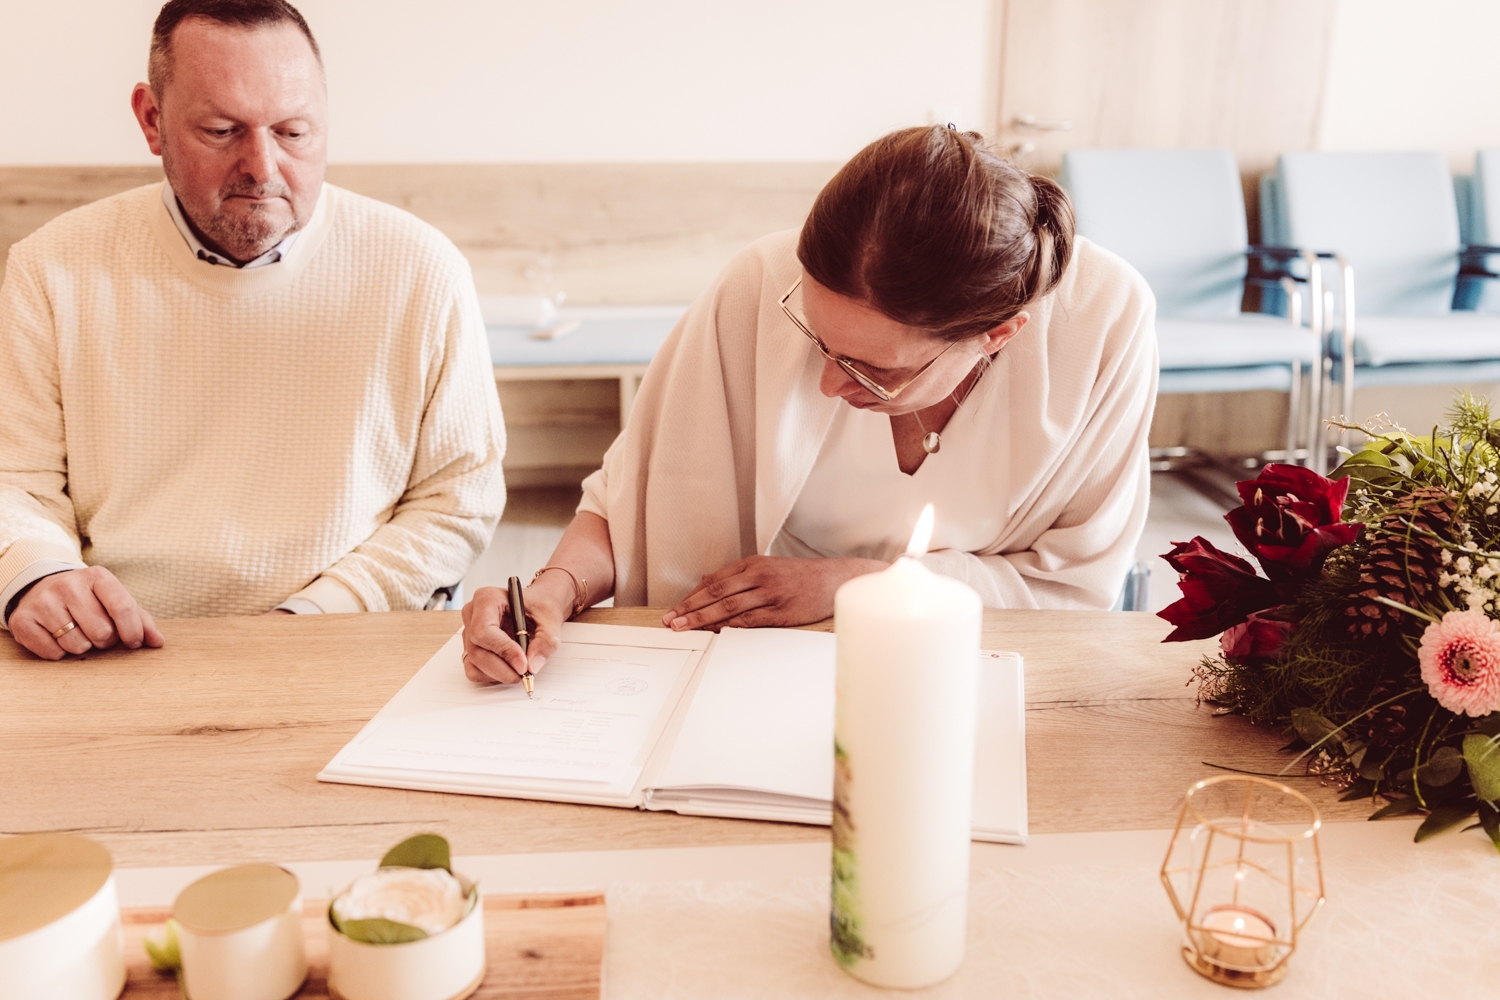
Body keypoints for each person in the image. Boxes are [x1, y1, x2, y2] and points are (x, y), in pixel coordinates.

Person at [461, 125, 1155, 686]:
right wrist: (553, 592)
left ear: (998, 335)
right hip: (754, 661)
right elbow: (637, 501)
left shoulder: (1104, 324)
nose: (827, 385)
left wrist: (854, 584)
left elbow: (1073, 579)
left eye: (872, 371)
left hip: (971, 669)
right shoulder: (760, 286)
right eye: (816, 342)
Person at [0, 0, 506, 661]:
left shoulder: (421, 268)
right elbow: (17, 477)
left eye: (294, 133)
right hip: (111, 649)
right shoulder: (52, 265)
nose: (262, 169)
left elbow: (457, 498)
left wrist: (316, 615)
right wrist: (40, 573)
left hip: (340, 636)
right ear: (151, 120)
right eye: (220, 130)